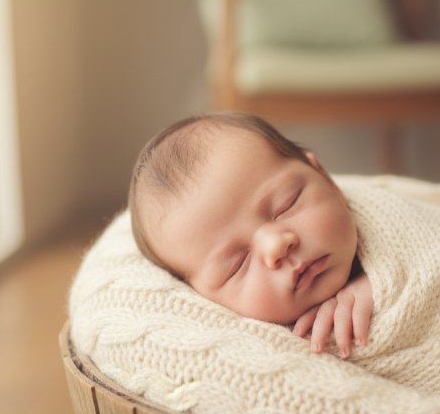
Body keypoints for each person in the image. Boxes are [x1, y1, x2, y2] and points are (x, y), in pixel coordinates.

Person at [128, 112, 373, 360]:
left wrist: (377, 284)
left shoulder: (385, 225)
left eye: (285, 206)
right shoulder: (247, 350)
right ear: (202, 297)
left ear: (325, 178)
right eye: (237, 265)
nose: (275, 245)